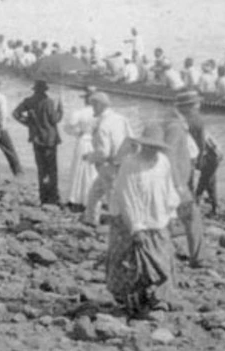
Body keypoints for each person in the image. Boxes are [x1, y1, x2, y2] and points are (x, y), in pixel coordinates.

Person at [106, 124, 180, 316]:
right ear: (142, 146)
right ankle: (132, 302)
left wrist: (172, 214)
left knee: (161, 261)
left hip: (158, 220)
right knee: (130, 264)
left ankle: (159, 299)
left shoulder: (163, 162)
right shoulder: (130, 164)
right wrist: (136, 227)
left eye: (155, 147)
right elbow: (126, 196)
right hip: (131, 222)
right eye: (148, 147)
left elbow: (168, 188)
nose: (152, 151)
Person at [161, 98, 207, 268]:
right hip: (177, 182)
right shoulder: (176, 127)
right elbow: (169, 154)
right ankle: (198, 258)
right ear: (186, 108)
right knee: (192, 217)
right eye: (195, 106)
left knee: (172, 219)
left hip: (177, 180)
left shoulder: (176, 124)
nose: (198, 108)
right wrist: (177, 183)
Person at [81, 92, 133, 225]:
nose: (92, 109)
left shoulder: (102, 125)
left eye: (93, 106)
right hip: (123, 162)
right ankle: (90, 220)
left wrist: (90, 157)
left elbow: (103, 152)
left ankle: (118, 224)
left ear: (99, 106)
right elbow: (131, 139)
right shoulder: (121, 118)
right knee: (95, 193)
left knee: (112, 198)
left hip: (108, 166)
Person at [13, 80, 63, 205]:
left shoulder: (29, 101)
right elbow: (54, 120)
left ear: (34, 89)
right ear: (45, 90)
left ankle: (43, 197)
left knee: (41, 169)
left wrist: (28, 124)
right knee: (52, 170)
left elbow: (15, 113)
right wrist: (61, 109)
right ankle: (53, 197)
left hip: (36, 138)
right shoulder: (49, 102)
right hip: (50, 140)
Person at [176, 90, 222, 215]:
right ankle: (214, 206)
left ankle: (195, 204)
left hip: (202, 154)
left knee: (192, 182)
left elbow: (201, 143)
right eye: (197, 103)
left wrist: (199, 157)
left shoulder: (186, 120)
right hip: (209, 154)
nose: (199, 105)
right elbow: (201, 141)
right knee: (209, 181)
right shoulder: (196, 119)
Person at [63, 86, 98, 212]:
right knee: (92, 171)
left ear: (86, 100)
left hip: (83, 141)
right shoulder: (99, 114)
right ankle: (89, 198)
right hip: (95, 142)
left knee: (78, 169)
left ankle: (75, 197)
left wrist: (77, 133)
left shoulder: (80, 113)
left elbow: (67, 127)